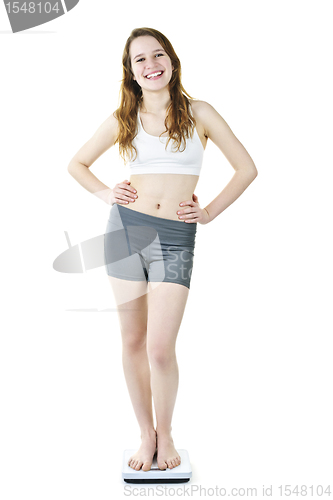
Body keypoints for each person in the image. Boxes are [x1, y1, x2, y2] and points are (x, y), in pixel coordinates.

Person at [67, 27, 258, 472]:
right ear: (130, 72)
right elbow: (76, 164)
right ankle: (145, 433)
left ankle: (167, 432)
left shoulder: (200, 112)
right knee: (132, 340)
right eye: (140, 60)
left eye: (158, 55)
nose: (150, 65)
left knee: (159, 348)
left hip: (176, 237)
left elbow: (247, 168)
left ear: (171, 61)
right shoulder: (122, 119)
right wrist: (106, 194)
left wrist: (207, 213)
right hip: (125, 233)